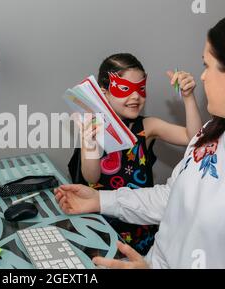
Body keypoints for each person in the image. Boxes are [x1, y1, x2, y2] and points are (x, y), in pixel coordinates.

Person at [58, 8, 225, 268]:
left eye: (207, 65)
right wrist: (100, 200)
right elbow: (172, 198)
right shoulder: (209, 136)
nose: (202, 75)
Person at [68, 53, 203, 254]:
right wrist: (88, 141)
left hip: (142, 229)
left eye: (140, 88)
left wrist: (188, 97)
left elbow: (194, 139)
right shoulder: (93, 127)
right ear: (104, 92)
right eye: (125, 89)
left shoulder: (147, 127)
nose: (135, 96)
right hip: (102, 229)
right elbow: (91, 176)